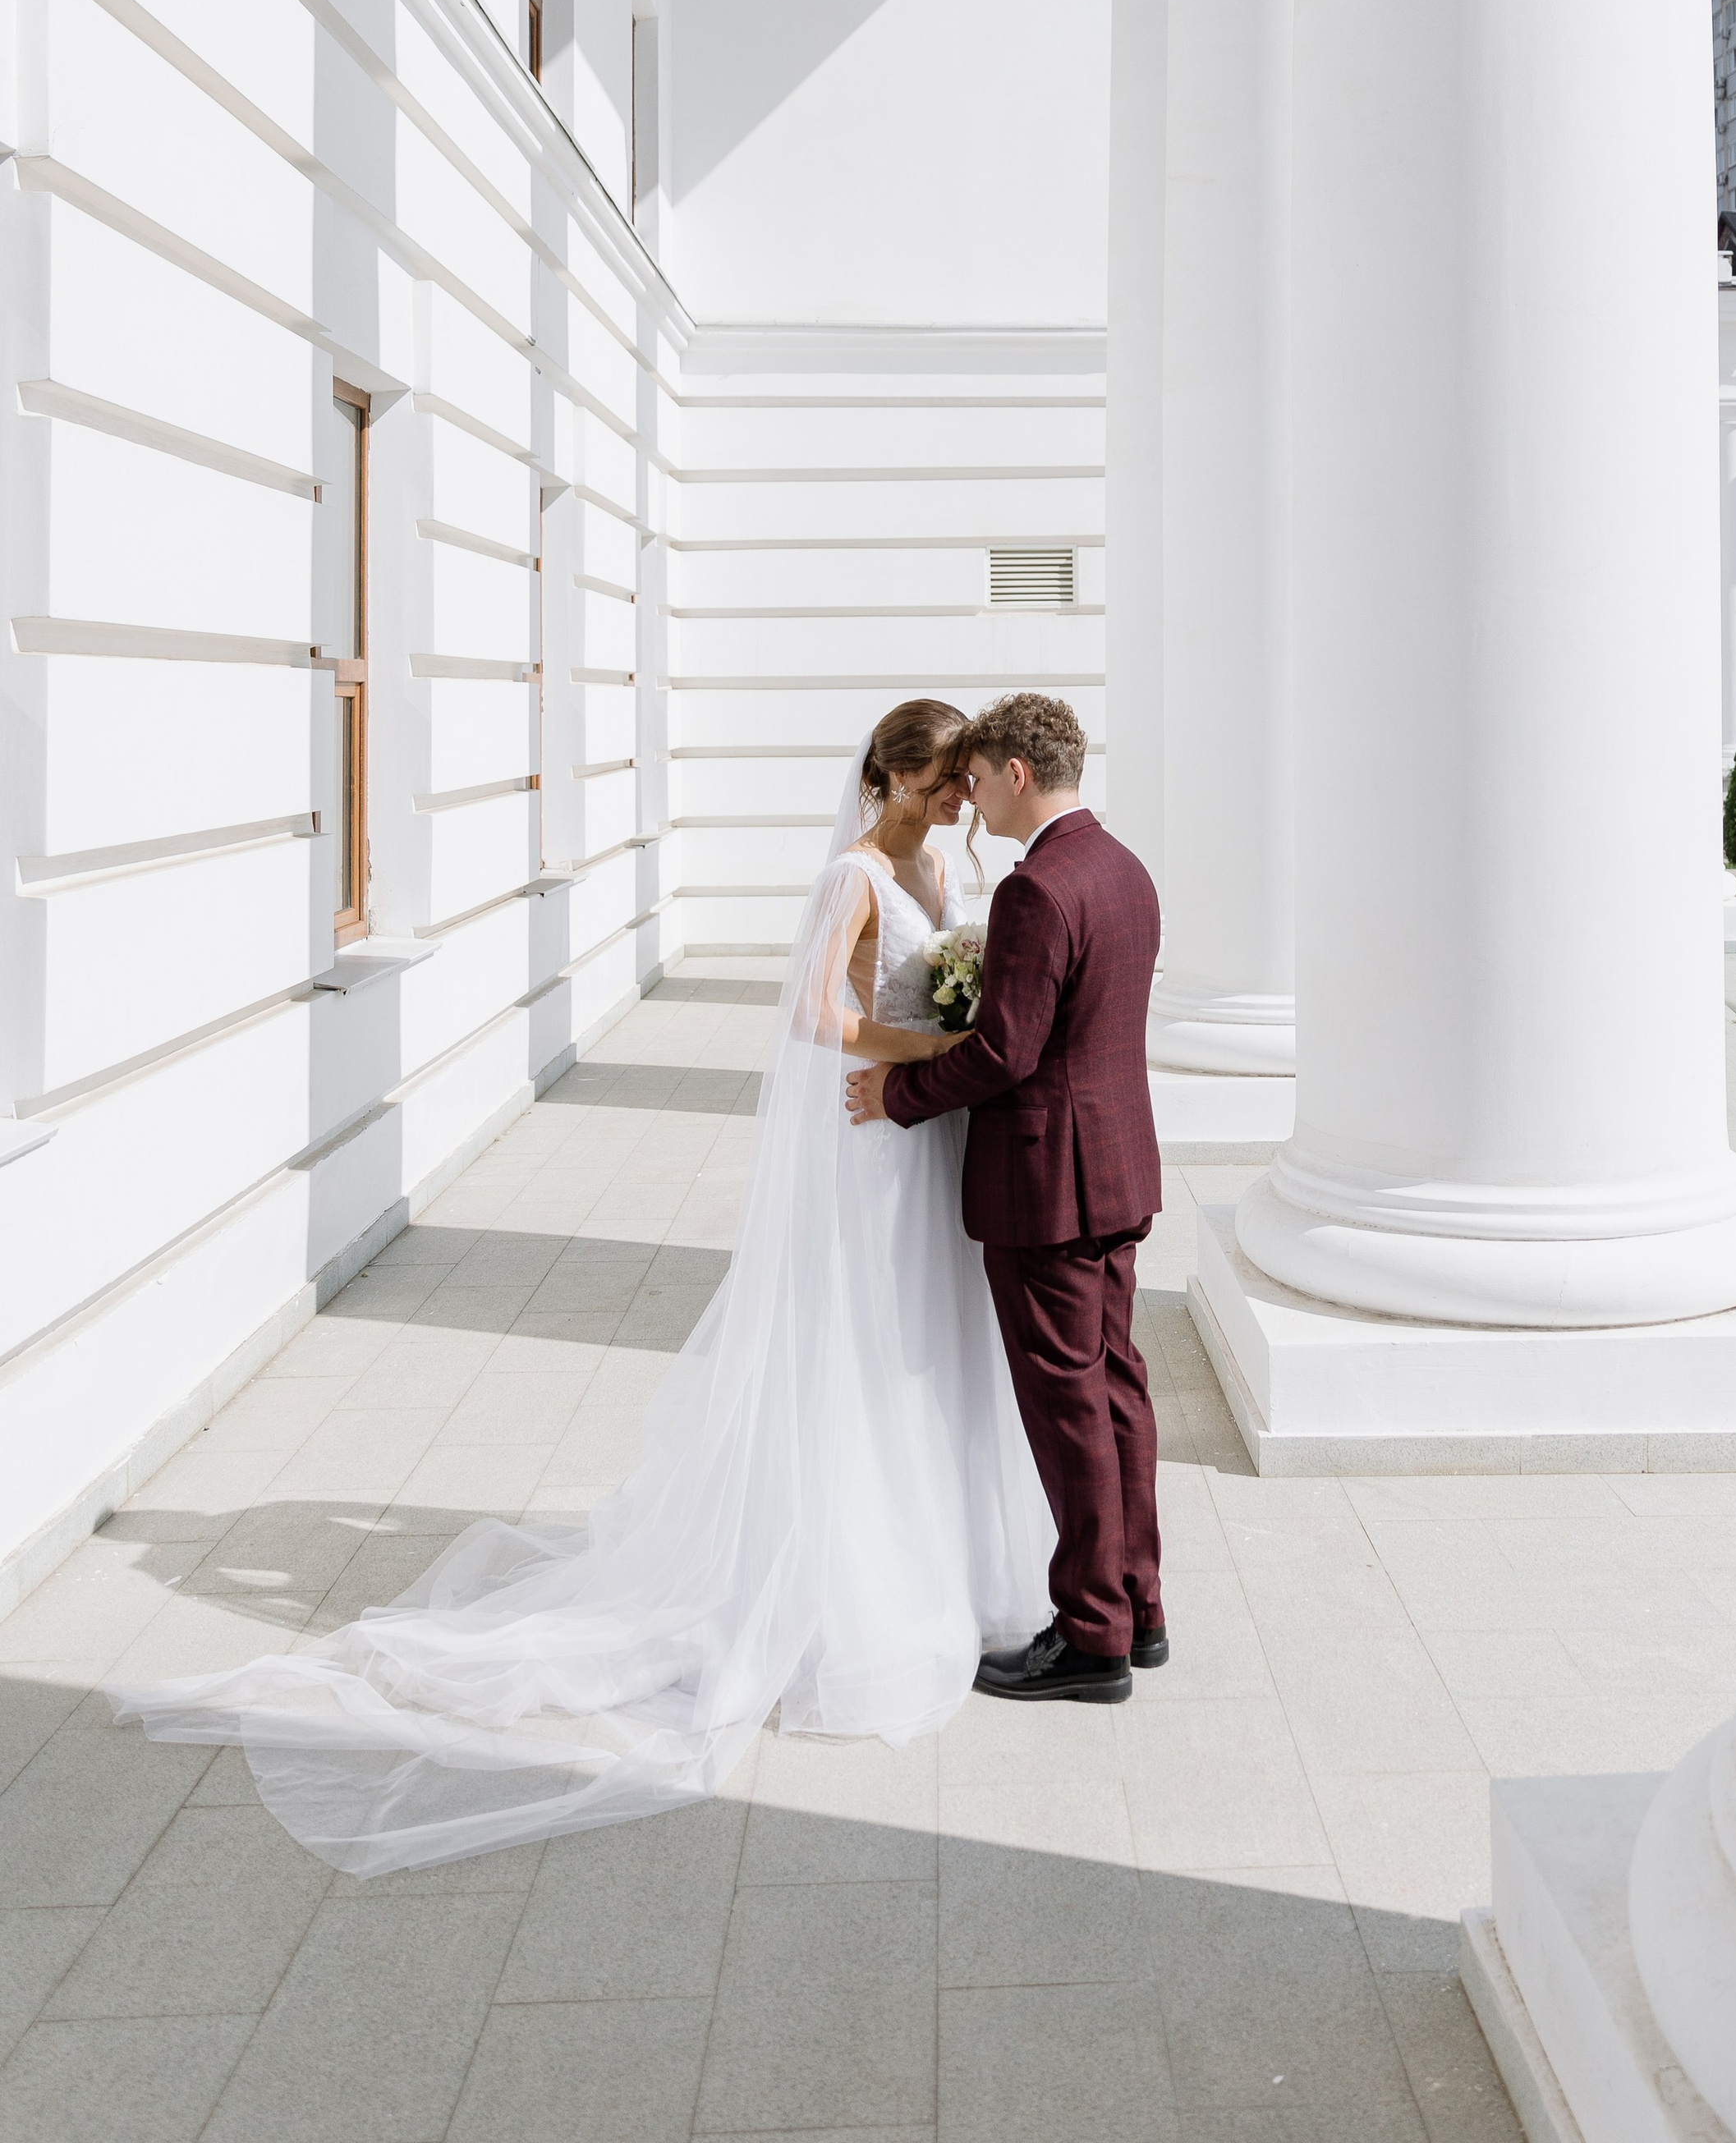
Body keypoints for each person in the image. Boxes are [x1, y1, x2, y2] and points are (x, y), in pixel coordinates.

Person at [110, 701, 1053, 1872]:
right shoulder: (855, 874)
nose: (966, 800)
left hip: (923, 1136)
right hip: (873, 1134)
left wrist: (952, 1041)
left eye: (971, 782)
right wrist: (942, 1052)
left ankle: (936, 1560)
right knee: (861, 1345)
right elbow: (819, 1017)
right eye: (950, 783)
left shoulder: (932, 861)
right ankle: (842, 1586)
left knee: (927, 1343)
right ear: (898, 777)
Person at [847, 691, 1167, 1702]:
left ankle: (1091, 1639)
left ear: (1017, 775)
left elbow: (1003, 1053)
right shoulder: (1122, 867)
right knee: (1117, 1392)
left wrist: (897, 1094)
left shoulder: (1038, 889)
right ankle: (1139, 1606)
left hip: (1047, 1187)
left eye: (979, 781)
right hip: (1116, 1170)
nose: (972, 802)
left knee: (1069, 1408)